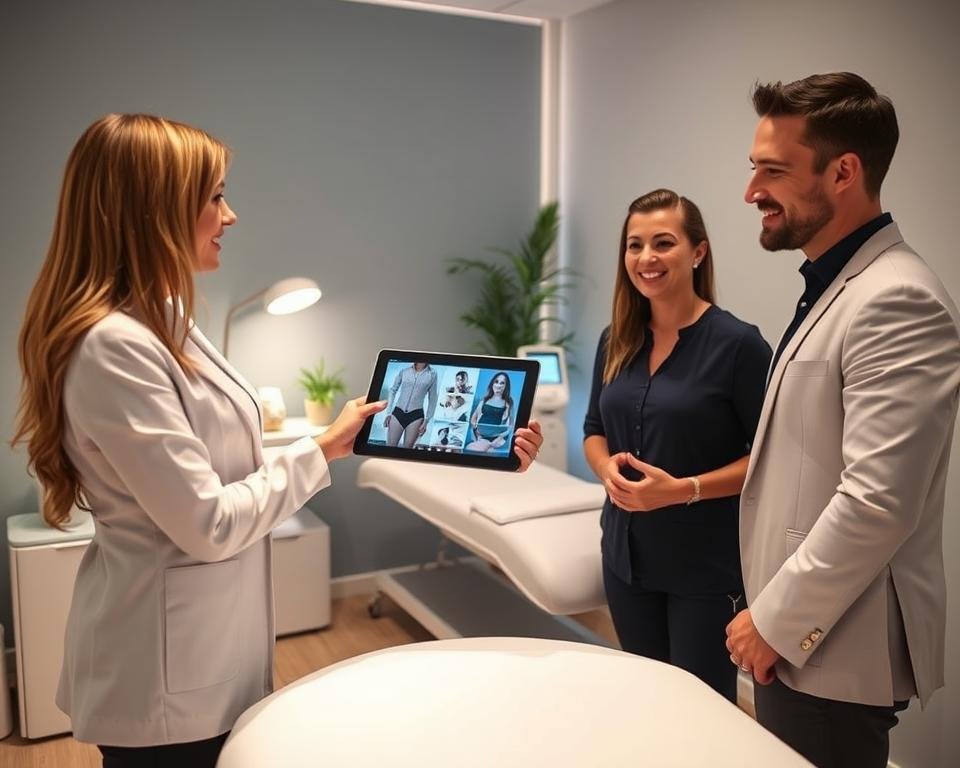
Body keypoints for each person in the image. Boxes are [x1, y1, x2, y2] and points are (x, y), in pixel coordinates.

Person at [10, 113, 544, 767]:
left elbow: (213, 460)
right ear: (154, 210)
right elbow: (207, 521)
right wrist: (320, 451)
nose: (229, 216)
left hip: (206, 648)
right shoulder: (114, 346)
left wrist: (347, 439)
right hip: (162, 676)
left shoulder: (167, 318)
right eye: (214, 197)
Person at [726, 72, 960, 768]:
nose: (751, 192)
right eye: (753, 168)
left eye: (772, 170)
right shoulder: (837, 285)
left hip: (830, 638)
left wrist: (774, 620)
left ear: (844, 172)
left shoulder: (898, 301)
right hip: (806, 634)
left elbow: (879, 501)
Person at [583, 189, 771, 703]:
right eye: (634, 245)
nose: (646, 258)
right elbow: (594, 428)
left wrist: (682, 490)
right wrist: (605, 471)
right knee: (647, 697)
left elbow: (771, 458)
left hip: (704, 570)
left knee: (701, 706)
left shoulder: (738, 346)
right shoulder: (615, 339)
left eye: (663, 243)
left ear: (698, 252)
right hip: (625, 559)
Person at [383, 361, 438, 448]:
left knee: (407, 450)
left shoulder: (432, 374)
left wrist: (427, 420)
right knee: (390, 447)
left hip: (416, 416)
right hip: (398, 412)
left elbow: (433, 398)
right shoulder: (404, 371)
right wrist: (388, 413)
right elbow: (393, 390)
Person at [467, 371, 514, 452]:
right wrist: (477, 433)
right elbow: (473, 419)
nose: (498, 385)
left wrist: (500, 438)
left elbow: (511, 425)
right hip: (480, 436)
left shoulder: (508, 402)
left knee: (472, 449)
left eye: (502, 383)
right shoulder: (485, 399)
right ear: (492, 383)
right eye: (496, 382)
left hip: (497, 438)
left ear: (506, 386)